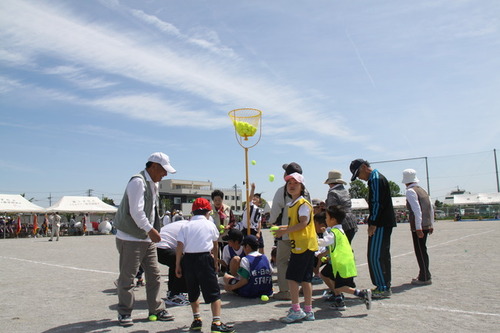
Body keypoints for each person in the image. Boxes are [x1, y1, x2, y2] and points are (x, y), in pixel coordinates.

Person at [113, 152, 176, 327]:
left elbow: (151, 211)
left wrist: (153, 231)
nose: (164, 175)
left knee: (154, 275)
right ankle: (124, 312)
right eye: (164, 170)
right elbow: (136, 211)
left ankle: (155, 308)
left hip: (146, 238)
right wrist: (151, 230)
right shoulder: (138, 182)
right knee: (128, 277)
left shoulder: (153, 184)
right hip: (130, 237)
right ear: (154, 166)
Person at [175, 198, 234, 333]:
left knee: (193, 290)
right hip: (204, 258)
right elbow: (215, 244)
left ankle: (197, 320)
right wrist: (215, 262)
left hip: (188, 259)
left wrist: (177, 264)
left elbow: (179, 246)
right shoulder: (210, 224)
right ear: (208, 211)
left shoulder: (185, 225)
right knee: (213, 292)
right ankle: (216, 322)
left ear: (193, 211)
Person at [274, 172, 318, 323]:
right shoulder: (293, 204)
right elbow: (296, 224)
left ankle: (296, 309)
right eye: (289, 183)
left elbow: (303, 224)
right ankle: (308, 310)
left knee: (292, 278)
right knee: (306, 279)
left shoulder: (302, 204)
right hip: (305, 245)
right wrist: (282, 228)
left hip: (302, 245)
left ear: (302, 187)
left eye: (295, 183)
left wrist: (285, 230)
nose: (292, 186)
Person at [350, 159, 396, 298]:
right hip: (384, 222)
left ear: (364, 167)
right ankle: (383, 285)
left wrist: (373, 222)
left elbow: (376, 202)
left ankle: (382, 287)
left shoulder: (375, 179)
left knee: (375, 256)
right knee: (381, 255)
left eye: (358, 173)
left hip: (380, 223)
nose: (359, 177)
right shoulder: (377, 178)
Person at [269, 162, 310, 300]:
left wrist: (272, 223)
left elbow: (275, 211)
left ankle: (285, 291)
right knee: (300, 261)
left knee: (282, 261)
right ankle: (303, 289)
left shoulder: (282, 190)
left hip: (285, 231)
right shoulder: (306, 191)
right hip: (302, 234)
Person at [319, 205, 372, 311]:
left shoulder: (334, 232)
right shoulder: (339, 230)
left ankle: (362, 294)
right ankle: (339, 301)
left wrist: (312, 241)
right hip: (339, 263)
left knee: (340, 286)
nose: (325, 219)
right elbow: (330, 240)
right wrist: (325, 232)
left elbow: (325, 241)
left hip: (341, 264)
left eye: (327, 217)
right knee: (326, 275)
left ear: (333, 220)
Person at [402, 169, 434, 285]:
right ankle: (424, 274)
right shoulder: (423, 190)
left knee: (420, 250)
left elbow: (416, 210)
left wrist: (418, 227)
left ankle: (425, 276)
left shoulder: (410, 191)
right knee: (423, 250)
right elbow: (430, 208)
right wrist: (431, 224)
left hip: (418, 226)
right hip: (426, 224)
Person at [157, 217, 189, 306]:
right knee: (183, 262)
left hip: (157, 246)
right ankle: (176, 295)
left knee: (176, 264)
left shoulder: (186, 223)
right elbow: (185, 249)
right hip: (160, 247)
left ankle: (172, 291)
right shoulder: (189, 228)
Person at [324, 170, 358, 243]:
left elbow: (332, 210)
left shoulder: (332, 193)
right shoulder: (345, 191)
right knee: (347, 246)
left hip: (342, 223)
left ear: (330, 183)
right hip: (351, 221)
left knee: (340, 247)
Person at [211, 189, 236, 266]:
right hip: (215, 236)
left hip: (226, 236)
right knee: (216, 254)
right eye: (215, 200)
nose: (217, 202)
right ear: (213, 200)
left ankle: (225, 269)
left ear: (222, 199)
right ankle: (216, 268)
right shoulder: (210, 210)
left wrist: (228, 226)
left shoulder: (228, 209)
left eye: (219, 200)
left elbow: (233, 221)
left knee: (226, 254)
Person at [238, 183, 265, 254]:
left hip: (255, 230)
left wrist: (258, 233)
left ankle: (261, 258)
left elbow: (259, 223)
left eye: (257, 197)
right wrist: (253, 189)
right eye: (254, 196)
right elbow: (249, 199)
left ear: (259, 203)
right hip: (246, 229)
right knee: (246, 247)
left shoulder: (259, 210)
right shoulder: (249, 205)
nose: (255, 198)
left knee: (260, 246)